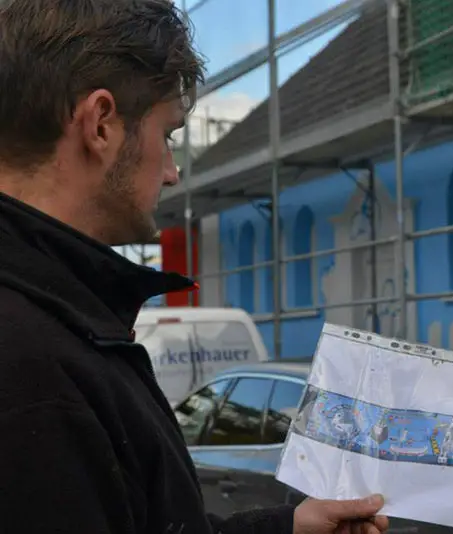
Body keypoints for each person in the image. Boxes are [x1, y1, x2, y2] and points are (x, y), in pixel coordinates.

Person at [0, 1, 391, 533]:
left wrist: (287, 528)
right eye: (167, 135)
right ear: (100, 124)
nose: (172, 172)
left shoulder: (48, 319)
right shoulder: (34, 369)